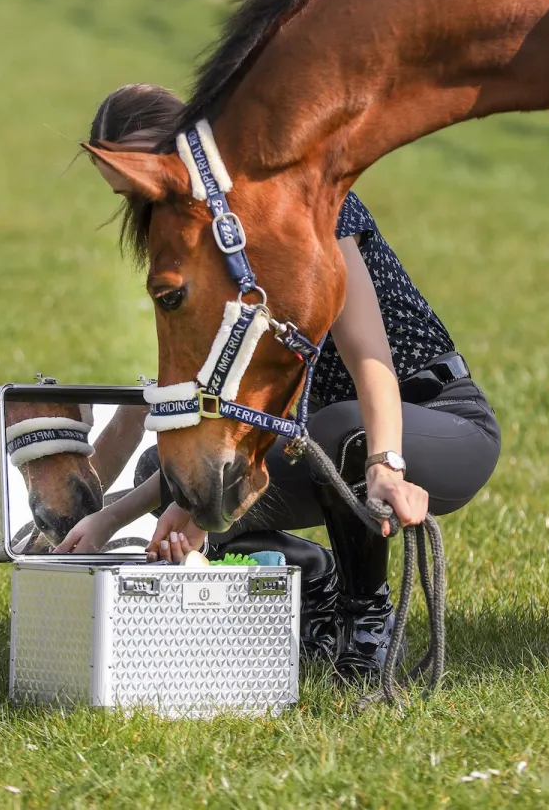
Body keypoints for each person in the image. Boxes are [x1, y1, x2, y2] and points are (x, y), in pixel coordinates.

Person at [57, 83, 502, 682]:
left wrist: (388, 462)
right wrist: (120, 516)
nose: (147, 206)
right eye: (129, 196)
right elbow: (228, 414)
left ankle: (366, 622)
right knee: (174, 479)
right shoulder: (211, 260)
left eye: (150, 182)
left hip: (428, 417)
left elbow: (370, 355)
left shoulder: (307, 211)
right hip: (318, 440)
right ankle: (314, 582)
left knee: (341, 429)